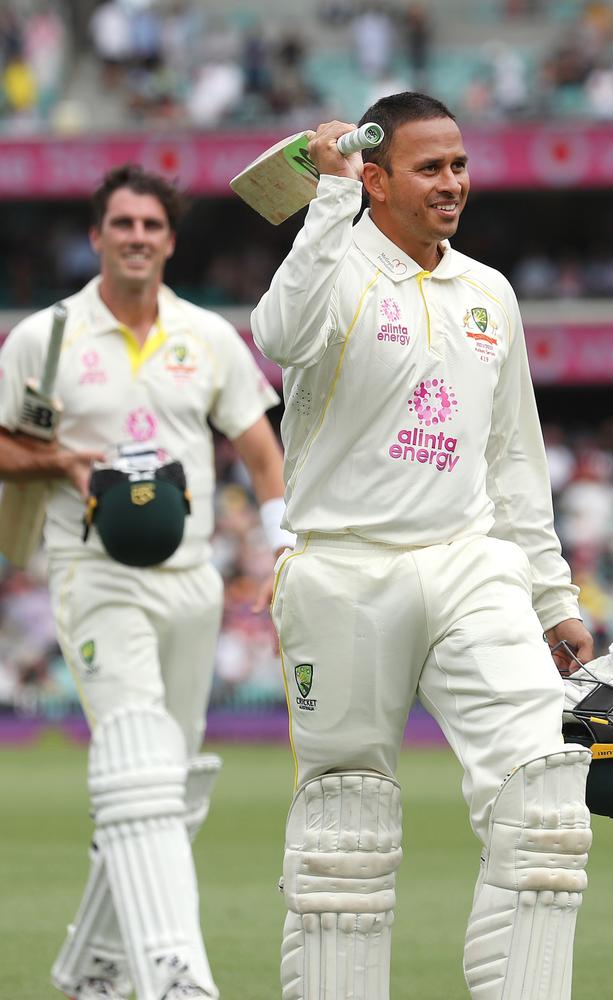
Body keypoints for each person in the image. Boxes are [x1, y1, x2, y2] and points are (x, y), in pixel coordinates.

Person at [251, 92, 595, 1000]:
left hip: (469, 560)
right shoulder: (335, 263)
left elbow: (514, 456)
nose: (453, 183)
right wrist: (325, 199)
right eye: (430, 168)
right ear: (375, 178)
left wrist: (552, 597)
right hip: (345, 566)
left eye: (460, 165)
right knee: (345, 837)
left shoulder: (490, 293)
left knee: (547, 800)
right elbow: (280, 335)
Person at [0, 164, 292, 1000]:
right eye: (121, 224)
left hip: (190, 575)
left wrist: (281, 548)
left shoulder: (205, 335)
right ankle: (177, 974)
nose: (136, 238)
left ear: (170, 241)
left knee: (170, 778)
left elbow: (259, 446)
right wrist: (61, 459)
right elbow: (3, 446)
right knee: (138, 759)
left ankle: (94, 966)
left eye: (151, 227)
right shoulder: (45, 339)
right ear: (96, 236)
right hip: (93, 571)